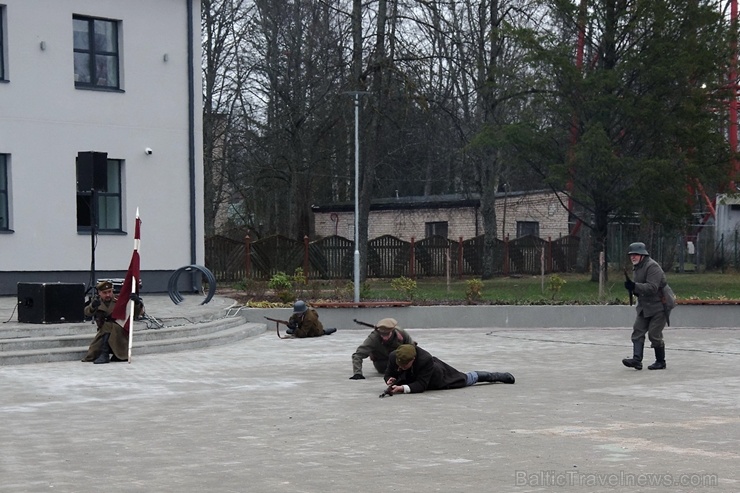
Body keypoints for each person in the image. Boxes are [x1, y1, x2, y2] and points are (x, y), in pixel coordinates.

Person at [622, 242, 675, 371]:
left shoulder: (652, 267)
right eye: (631, 255)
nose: (633, 257)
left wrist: (634, 286)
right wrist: (633, 288)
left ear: (643, 255)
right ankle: (636, 360)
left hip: (660, 305)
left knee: (654, 334)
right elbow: (640, 287)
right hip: (645, 305)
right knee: (637, 331)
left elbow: (652, 287)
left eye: (635, 254)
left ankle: (660, 361)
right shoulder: (638, 267)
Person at [383, 344, 515, 394]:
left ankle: (494, 376)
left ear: (413, 360)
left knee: (467, 378)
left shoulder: (425, 360)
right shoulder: (394, 356)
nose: (399, 368)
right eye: (398, 364)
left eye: (403, 366)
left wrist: (402, 388)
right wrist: (389, 379)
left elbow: (421, 385)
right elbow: (388, 373)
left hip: (439, 378)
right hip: (413, 379)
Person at [81, 280, 145, 364]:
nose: (108, 295)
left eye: (109, 292)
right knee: (93, 351)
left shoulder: (119, 300)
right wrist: (93, 306)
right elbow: (87, 312)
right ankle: (106, 353)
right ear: (99, 293)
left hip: (120, 332)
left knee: (108, 325)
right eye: (104, 292)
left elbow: (135, 314)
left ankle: (105, 354)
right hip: (103, 334)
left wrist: (137, 303)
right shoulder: (97, 301)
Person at [349, 318, 415, 380]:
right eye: (382, 334)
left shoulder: (401, 333)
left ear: (392, 331)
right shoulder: (373, 338)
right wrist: (357, 373)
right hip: (382, 363)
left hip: (400, 360)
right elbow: (358, 355)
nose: (385, 337)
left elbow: (413, 348)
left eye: (387, 334)